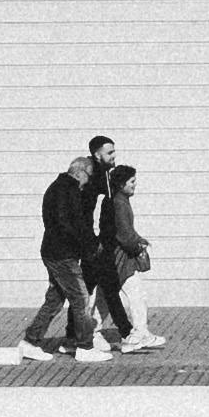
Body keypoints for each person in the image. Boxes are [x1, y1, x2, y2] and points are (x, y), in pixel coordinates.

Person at [28, 134, 116, 357]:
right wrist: (88, 245)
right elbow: (70, 225)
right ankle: (84, 346)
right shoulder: (67, 191)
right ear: (81, 172)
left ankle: (30, 341)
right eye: (88, 177)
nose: (89, 184)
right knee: (81, 298)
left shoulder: (62, 188)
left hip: (57, 252)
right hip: (61, 255)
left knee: (55, 300)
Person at [85, 148, 158, 354]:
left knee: (104, 297)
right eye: (132, 182)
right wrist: (139, 244)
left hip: (111, 257)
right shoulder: (120, 204)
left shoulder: (116, 201)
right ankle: (138, 332)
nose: (135, 186)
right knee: (135, 294)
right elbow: (125, 234)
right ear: (121, 184)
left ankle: (94, 331)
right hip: (121, 258)